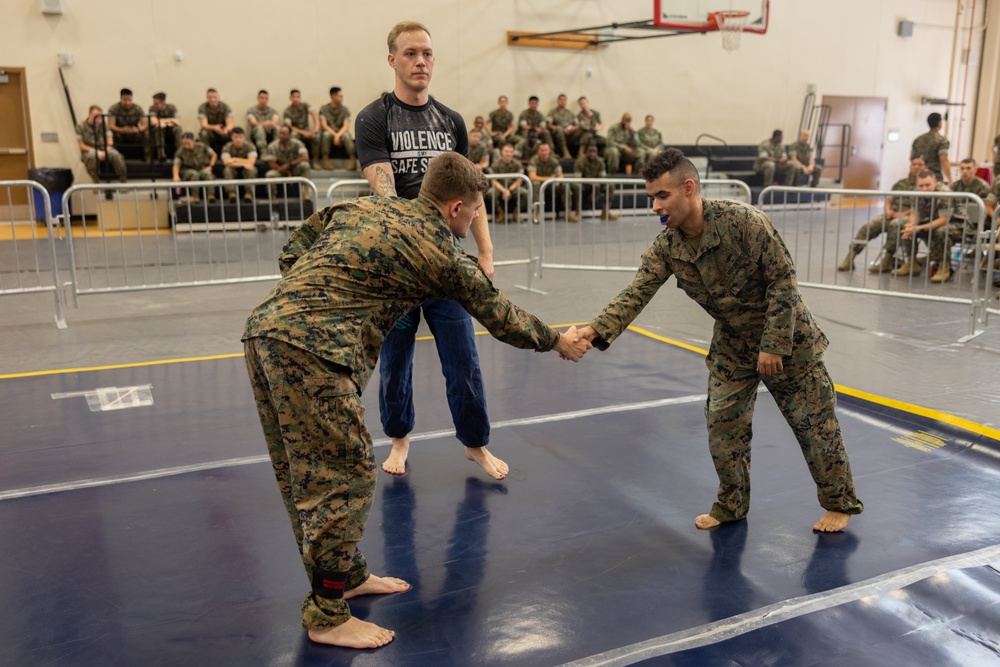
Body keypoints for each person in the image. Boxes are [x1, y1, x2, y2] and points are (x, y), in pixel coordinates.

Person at [243, 152, 590, 649]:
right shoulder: (439, 251)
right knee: (344, 475)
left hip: (264, 334)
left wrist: (320, 298)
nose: (474, 220)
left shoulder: (363, 208)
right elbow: (501, 315)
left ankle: (348, 574)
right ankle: (327, 614)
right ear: (455, 208)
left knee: (304, 472)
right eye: (475, 211)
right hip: (312, 352)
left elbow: (294, 249)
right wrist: (558, 341)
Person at [577, 148, 864, 533]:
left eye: (662, 196)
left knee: (814, 424)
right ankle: (731, 504)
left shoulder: (743, 221)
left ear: (689, 188)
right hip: (733, 342)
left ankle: (838, 502)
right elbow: (636, 293)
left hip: (787, 337)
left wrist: (774, 343)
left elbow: (783, 279)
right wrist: (594, 329)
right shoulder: (668, 246)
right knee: (722, 421)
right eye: (651, 199)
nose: (655, 207)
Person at [355, 21, 502, 478]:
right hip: (398, 266)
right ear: (392, 60)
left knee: (463, 357)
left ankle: (475, 443)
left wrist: (485, 252)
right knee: (396, 362)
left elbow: (471, 194)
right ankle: (399, 440)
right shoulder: (374, 117)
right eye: (411, 53)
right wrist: (410, 247)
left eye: (428, 54)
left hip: (448, 266)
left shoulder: (452, 121)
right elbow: (384, 192)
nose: (421, 61)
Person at [837, 156, 925, 273]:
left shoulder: (925, 185)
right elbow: (889, 199)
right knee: (869, 226)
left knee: (895, 225)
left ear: (926, 167)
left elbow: (921, 208)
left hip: (910, 217)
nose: (916, 167)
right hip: (893, 213)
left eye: (920, 165)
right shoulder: (901, 184)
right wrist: (888, 210)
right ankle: (850, 257)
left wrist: (902, 214)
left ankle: (887, 260)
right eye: (914, 164)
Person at [894, 170, 955, 282]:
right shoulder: (916, 193)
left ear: (935, 183)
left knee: (941, 231)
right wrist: (911, 226)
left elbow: (944, 219)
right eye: (921, 186)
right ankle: (912, 263)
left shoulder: (944, 193)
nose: (924, 189)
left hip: (956, 223)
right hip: (932, 220)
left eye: (928, 185)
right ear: (917, 185)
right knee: (906, 228)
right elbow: (915, 213)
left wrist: (920, 228)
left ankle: (944, 267)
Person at [528, 141, 579, 222]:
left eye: (546, 150)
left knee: (565, 186)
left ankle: (568, 212)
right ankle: (537, 213)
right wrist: (549, 179)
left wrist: (557, 181)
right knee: (535, 184)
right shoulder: (533, 160)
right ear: (538, 151)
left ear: (549, 151)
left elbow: (560, 175)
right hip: (539, 186)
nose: (544, 152)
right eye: (542, 150)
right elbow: (532, 177)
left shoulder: (554, 161)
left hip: (551, 186)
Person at [76, 105, 127, 183]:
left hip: (105, 149)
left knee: (116, 155)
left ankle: (123, 180)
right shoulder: (81, 126)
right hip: (90, 150)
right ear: (89, 114)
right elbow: (81, 145)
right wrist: (97, 151)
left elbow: (110, 142)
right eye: (96, 116)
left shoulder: (104, 125)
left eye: (100, 117)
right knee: (91, 156)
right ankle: (96, 180)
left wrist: (105, 151)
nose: (98, 119)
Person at [265, 125, 312, 199]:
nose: (280, 135)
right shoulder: (273, 146)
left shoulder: (297, 143)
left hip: (294, 168)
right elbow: (272, 163)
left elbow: (305, 157)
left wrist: (290, 165)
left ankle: (306, 193)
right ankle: (272, 197)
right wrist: (286, 172)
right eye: (280, 133)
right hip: (280, 170)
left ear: (290, 135)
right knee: (269, 175)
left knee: (305, 165)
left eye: (283, 133)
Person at [574, 142, 617, 220]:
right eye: (590, 151)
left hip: (597, 184)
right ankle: (578, 212)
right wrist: (591, 183)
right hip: (584, 185)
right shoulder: (580, 162)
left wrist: (598, 183)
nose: (592, 154)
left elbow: (603, 177)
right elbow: (577, 178)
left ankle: (605, 212)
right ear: (586, 152)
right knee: (576, 186)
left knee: (610, 185)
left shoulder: (600, 162)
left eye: (594, 152)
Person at [318, 86, 356, 171]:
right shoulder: (324, 109)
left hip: (341, 133)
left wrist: (338, 136)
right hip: (330, 132)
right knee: (326, 135)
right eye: (340, 96)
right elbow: (324, 126)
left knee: (346, 136)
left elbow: (346, 126)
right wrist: (335, 135)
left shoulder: (345, 110)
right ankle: (325, 160)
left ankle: (353, 161)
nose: (342, 98)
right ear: (333, 96)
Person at [172, 132, 217, 202]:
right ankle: (195, 196)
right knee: (194, 174)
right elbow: (176, 165)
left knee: (208, 174)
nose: (186, 146)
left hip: (201, 168)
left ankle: (211, 195)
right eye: (184, 143)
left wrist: (210, 166)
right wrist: (176, 176)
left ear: (193, 141)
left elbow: (214, 155)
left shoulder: (202, 146)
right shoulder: (180, 151)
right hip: (187, 170)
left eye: (188, 143)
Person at [487, 143, 524, 223]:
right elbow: (493, 180)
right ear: (502, 152)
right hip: (499, 188)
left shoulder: (517, 164)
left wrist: (509, 190)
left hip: (513, 188)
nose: (508, 154)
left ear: (513, 153)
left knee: (524, 193)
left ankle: (516, 213)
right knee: (491, 193)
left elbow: (519, 180)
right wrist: (504, 190)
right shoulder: (496, 164)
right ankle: (500, 213)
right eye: (506, 151)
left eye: (510, 152)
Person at [107, 88, 149, 159]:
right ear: (120, 98)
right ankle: (113, 157)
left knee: (147, 134)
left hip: (134, 133)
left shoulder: (138, 108)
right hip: (120, 134)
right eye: (125, 100)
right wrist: (122, 130)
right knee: (110, 134)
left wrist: (137, 129)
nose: (127, 102)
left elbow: (144, 124)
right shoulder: (113, 109)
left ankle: (147, 157)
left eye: (129, 100)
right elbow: (111, 125)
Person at [912, 112, 951, 184]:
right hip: (934, 177)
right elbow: (944, 160)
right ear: (939, 123)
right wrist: (950, 179)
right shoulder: (941, 140)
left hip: (919, 176)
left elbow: (912, 158)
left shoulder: (918, 140)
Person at [284, 89, 320, 168]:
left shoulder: (305, 105)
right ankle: (298, 160)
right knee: (293, 136)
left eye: (298, 97)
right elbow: (290, 127)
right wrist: (304, 133)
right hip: (297, 132)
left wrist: (316, 128)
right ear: (290, 98)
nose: (296, 98)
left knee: (317, 136)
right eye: (294, 97)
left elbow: (314, 114)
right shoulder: (287, 111)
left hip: (307, 131)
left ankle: (315, 160)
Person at [220, 127, 258, 202]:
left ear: (244, 137)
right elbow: (226, 162)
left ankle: (249, 194)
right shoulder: (227, 147)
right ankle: (232, 194)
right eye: (236, 137)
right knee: (227, 169)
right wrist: (244, 163)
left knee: (251, 169)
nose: (238, 139)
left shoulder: (250, 146)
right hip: (233, 168)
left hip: (245, 169)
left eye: (240, 137)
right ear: (231, 137)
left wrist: (234, 159)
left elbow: (251, 162)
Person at [198, 88, 234, 155]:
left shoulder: (225, 107)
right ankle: (206, 155)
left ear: (219, 97)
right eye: (210, 97)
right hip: (210, 130)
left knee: (233, 133)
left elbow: (230, 122)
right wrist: (214, 127)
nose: (213, 99)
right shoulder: (203, 107)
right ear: (207, 98)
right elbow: (204, 124)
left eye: (215, 97)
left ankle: (229, 155)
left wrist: (227, 129)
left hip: (223, 129)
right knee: (203, 134)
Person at [148, 92, 183, 161]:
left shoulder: (172, 108)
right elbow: (154, 122)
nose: (154, 105)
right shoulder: (152, 108)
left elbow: (178, 122)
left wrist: (163, 122)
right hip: (159, 132)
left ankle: (179, 154)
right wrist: (171, 120)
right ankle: (161, 154)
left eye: (156, 104)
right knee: (159, 127)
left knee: (178, 129)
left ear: (163, 102)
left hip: (170, 131)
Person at [247, 90, 281, 156]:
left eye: (266, 98)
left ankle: (276, 149)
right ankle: (263, 151)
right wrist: (264, 124)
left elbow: (275, 121)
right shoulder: (251, 110)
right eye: (262, 98)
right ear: (258, 98)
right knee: (260, 128)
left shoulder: (272, 110)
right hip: (256, 132)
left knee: (278, 128)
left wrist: (271, 124)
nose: (264, 100)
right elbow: (253, 122)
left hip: (270, 130)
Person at [546, 93, 576, 159]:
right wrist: (561, 129)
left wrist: (572, 129)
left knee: (582, 129)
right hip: (557, 133)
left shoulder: (570, 113)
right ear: (558, 101)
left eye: (564, 100)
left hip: (569, 133)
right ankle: (565, 151)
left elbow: (577, 124)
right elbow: (548, 125)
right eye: (561, 100)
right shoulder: (553, 112)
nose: (563, 102)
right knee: (559, 128)